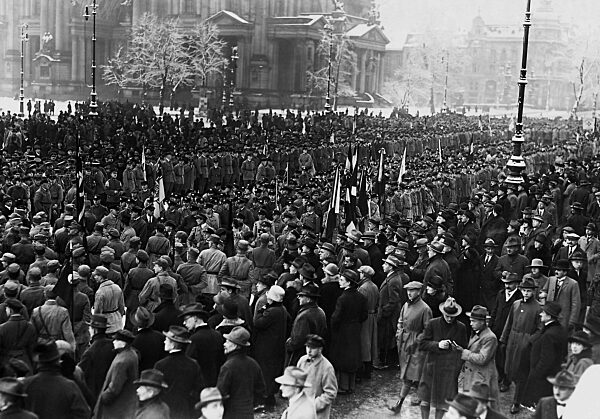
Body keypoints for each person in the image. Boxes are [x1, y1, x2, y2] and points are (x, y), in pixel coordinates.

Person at [417, 297, 468, 419]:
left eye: (452, 316)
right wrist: (437, 345)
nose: (450, 319)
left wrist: (457, 368)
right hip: (431, 367)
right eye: (447, 316)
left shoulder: (461, 327)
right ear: (442, 313)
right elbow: (422, 343)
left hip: (448, 371)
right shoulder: (433, 324)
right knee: (425, 399)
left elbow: (464, 350)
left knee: (443, 403)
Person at [389, 281, 432, 414]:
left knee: (412, 375)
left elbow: (428, 330)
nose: (409, 293)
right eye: (408, 290)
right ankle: (408, 400)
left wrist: (416, 341)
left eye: (412, 290)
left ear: (419, 291)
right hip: (403, 343)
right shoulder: (406, 305)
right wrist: (398, 333)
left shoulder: (425, 309)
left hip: (416, 347)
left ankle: (402, 403)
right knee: (406, 374)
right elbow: (400, 321)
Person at [499, 277, 541, 409]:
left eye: (529, 291)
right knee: (509, 364)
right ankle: (506, 381)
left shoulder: (538, 308)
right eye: (524, 290)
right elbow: (509, 323)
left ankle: (517, 401)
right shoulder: (516, 304)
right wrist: (503, 339)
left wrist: (530, 341)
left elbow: (540, 329)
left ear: (533, 292)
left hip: (525, 342)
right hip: (513, 338)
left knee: (521, 371)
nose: (526, 293)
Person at [23, 340, 91, 419]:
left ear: (39, 362)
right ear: (57, 361)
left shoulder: (26, 384)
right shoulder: (69, 386)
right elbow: (84, 414)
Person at [522, 301, 568, 409]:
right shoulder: (559, 330)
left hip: (542, 379)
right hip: (552, 375)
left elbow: (546, 360)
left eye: (543, 312)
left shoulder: (549, 334)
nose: (540, 314)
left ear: (549, 316)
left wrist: (535, 374)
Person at [329, 269, 367, 395]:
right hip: (355, 329)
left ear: (349, 283)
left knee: (343, 357)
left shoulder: (343, 298)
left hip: (343, 331)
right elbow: (364, 316)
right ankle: (351, 385)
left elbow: (335, 318)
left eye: (341, 280)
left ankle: (343, 386)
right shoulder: (361, 297)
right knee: (353, 356)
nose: (339, 281)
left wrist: (334, 327)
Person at [252, 284, 290, 409]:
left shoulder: (271, 312)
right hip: (277, 345)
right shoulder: (283, 310)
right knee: (272, 372)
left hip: (266, 347)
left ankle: (264, 399)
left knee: (265, 372)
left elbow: (257, 322)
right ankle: (270, 398)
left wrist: (261, 310)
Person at [217, 326, 266, 419]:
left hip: (230, 414)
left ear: (235, 345)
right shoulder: (253, 364)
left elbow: (221, 393)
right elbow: (261, 390)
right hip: (247, 413)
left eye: (227, 341)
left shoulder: (228, 367)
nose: (224, 344)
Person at [154, 326, 203, 419]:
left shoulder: (161, 365)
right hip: (186, 409)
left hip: (165, 409)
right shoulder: (193, 364)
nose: (164, 341)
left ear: (173, 344)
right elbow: (198, 388)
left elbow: (155, 389)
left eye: (166, 340)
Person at [455, 305, 499, 408]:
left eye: (473, 321)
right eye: (471, 321)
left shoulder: (490, 337)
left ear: (483, 322)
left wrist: (464, 353)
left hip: (482, 378)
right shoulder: (477, 332)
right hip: (473, 375)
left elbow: (483, 359)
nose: (471, 324)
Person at [95, 329, 139, 419]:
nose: (114, 342)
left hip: (116, 407)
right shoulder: (132, 354)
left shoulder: (122, 362)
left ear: (123, 343)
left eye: (117, 340)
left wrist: (103, 397)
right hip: (127, 403)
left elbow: (114, 388)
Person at [181, 303, 224, 387]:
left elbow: (189, 364)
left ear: (195, 318)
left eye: (186, 319)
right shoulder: (217, 334)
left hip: (201, 384)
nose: (184, 323)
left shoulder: (194, 339)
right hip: (217, 382)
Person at [285, 283, 327, 367]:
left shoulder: (304, 315)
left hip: (300, 356)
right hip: (315, 354)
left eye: (301, 296)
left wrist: (288, 343)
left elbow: (297, 341)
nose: (298, 297)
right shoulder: (320, 312)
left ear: (308, 299)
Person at [296, 335, 337, 419]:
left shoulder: (327, 367)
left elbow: (330, 393)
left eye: (313, 348)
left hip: (317, 414)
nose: (309, 351)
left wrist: (313, 405)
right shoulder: (302, 361)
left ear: (320, 349)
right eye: (307, 347)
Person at [78, 314, 116, 404]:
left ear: (94, 330)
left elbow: (80, 372)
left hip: (94, 392)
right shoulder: (112, 344)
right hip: (108, 389)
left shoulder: (90, 351)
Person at [376, 255, 405, 369]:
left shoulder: (393, 280)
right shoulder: (391, 277)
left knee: (388, 338)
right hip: (388, 314)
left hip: (389, 316)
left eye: (386, 264)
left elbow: (394, 300)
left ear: (391, 267)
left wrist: (384, 312)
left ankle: (388, 361)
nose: (383, 265)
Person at [540, 259, 581, 330]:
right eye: (556, 270)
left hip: (563, 318)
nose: (556, 272)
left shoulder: (573, 284)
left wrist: (572, 321)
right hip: (550, 315)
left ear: (565, 272)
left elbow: (576, 304)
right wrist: (543, 296)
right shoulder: (551, 279)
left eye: (559, 270)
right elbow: (543, 292)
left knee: (561, 337)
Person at [356, 265, 379, 379]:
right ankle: (368, 370)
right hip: (373, 316)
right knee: (371, 343)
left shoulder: (363, 288)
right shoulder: (374, 286)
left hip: (365, 319)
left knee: (364, 344)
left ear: (364, 275)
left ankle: (364, 370)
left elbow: (360, 305)